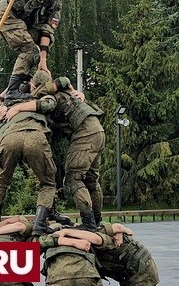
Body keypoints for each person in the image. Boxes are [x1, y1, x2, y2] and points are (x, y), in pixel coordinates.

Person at [6, 75, 105, 232]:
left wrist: (17, 108)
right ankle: (97, 221)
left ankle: (89, 223)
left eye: (32, 86)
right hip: (97, 130)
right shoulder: (65, 90)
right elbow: (64, 81)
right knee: (91, 180)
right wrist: (75, 90)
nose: (31, 89)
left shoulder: (51, 95)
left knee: (74, 178)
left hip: (85, 134)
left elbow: (46, 104)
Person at [0, 89, 69, 238]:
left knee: (1, 180)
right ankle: (39, 225)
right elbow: (50, 103)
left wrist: (5, 93)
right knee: (47, 182)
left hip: (10, 138)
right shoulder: (40, 98)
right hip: (34, 136)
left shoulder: (5, 104)